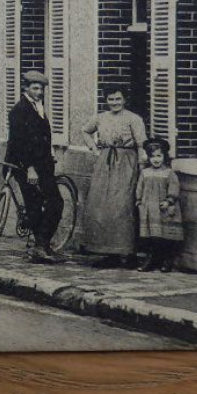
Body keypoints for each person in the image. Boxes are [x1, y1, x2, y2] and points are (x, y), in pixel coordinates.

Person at [81, 87, 147, 268]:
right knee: (102, 205)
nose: (115, 103)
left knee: (123, 205)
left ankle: (127, 252)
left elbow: (141, 144)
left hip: (126, 162)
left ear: (125, 100)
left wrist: (141, 166)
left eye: (118, 99)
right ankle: (108, 252)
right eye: (111, 99)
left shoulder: (134, 119)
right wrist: (94, 150)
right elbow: (85, 131)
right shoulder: (101, 117)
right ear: (106, 100)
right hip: (105, 162)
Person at [5, 70, 64, 263]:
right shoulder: (19, 110)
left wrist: (51, 155)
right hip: (26, 165)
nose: (39, 92)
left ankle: (41, 245)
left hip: (42, 163)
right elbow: (18, 142)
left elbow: (42, 137)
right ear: (26, 88)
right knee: (48, 203)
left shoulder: (38, 106)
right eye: (35, 88)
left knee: (45, 203)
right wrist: (29, 167)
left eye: (42, 89)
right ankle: (41, 245)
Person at [136, 137, 184, 272]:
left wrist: (168, 201)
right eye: (152, 157)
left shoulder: (169, 173)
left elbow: (174, 188)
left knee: (165, 236)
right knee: (152, 236)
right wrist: (139, 201)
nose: (156, 159)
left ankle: (167, 261)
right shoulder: (145, 173)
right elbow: (139, 188)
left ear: (164, 156)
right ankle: (151, 260)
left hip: (163, 208)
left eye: (159, 156)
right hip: (149, 209)